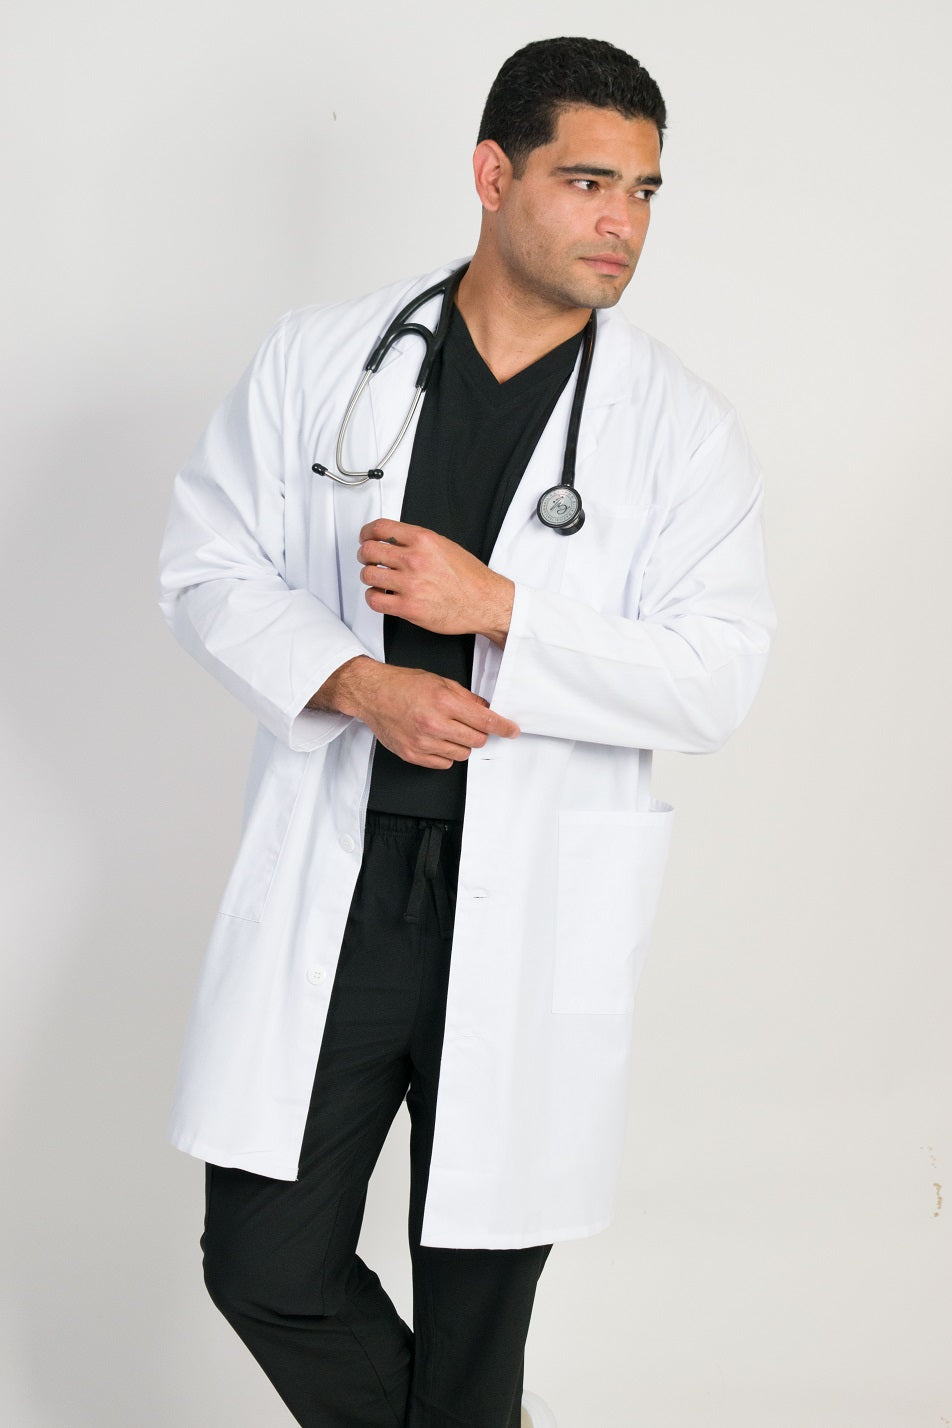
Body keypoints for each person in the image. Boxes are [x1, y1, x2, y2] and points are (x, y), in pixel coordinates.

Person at [159, 35, 774, 1428]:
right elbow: (207, 569)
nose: (622, 223)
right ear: (494, 175)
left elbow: (717, 677)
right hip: (344, 884)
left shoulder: (680, 431)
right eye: (587, 182)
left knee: (476, 1320)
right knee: (264, 1263)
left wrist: (499, 606)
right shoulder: (324, 360)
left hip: (534, 899)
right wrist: (351, 680)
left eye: (645, 192)